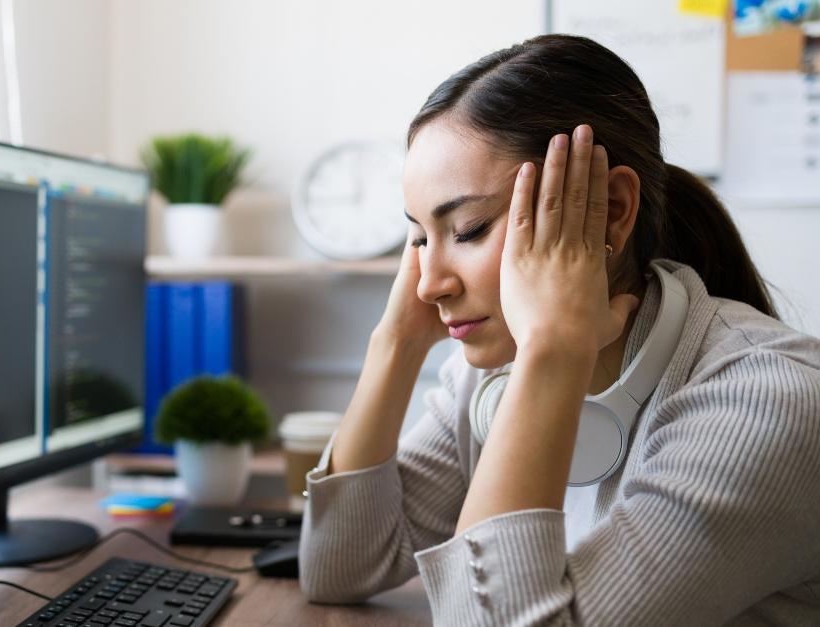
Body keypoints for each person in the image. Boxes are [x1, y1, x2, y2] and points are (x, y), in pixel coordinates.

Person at [299, 33, 820, 626]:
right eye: (419, 237)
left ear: (615, 210)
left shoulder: (770, 403)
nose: (428, 282)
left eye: (467, 228)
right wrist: (394, 343)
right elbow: (339, 566)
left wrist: (553, 349)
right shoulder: (493, 370)